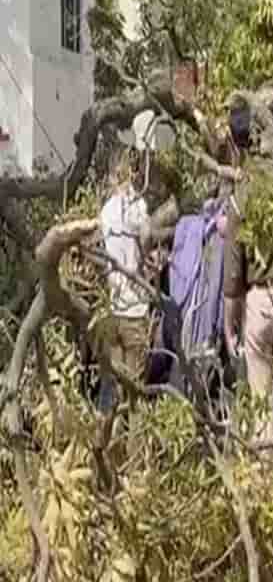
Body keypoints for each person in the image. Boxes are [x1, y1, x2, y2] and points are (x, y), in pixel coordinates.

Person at [220, 98, 273, 482]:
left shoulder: (242, 194)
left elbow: (233, 274)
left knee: (260, 401)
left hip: (257, 301)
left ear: (237, 145)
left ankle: (268, 491)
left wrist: (229, 324)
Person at [97, 148, 154, 410]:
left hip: (112, 309)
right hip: (135, 310)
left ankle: (111, 448)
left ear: (111, 177)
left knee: (115, 395)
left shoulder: (105, 212)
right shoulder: (138, 207)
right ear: (133, 173)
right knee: (135, 398)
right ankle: (135, 451)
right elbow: (147, 238)